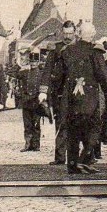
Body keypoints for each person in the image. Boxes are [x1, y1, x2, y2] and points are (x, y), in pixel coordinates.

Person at [45, 21, 107, 174]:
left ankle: (73, 164)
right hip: (90, 97)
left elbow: (57, 75)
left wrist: (53, 93)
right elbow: (103, 75)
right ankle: (85, 159)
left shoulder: (67, 50)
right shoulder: (95, 51)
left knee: (73, 130)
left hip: (70, 97)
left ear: (78, 33)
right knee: (94, 127)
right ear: (93, 35)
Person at [39, 21, 77, 165]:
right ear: (62, 32)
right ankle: (60, 157)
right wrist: (43, 91)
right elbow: (47, 70)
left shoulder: (81, 48)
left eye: (70, 33)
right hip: (60, 93)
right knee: (61, 124)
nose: (67, 36)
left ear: (75, 32)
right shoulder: (56, 49)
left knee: (78, 125)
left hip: (78, 93)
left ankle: (78, 157)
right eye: (65, 33)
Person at [16, 51, 43, 152]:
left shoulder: (41, 73)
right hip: (26, 101)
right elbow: (12, 73)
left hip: (36, 101)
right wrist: (20, 64)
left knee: (36, 124)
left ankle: (36, 145)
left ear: (38, 62)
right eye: (31, 61)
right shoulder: (25, 72)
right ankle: (27, 144)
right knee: (27, 124)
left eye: (35, 62)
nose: (33, 64)